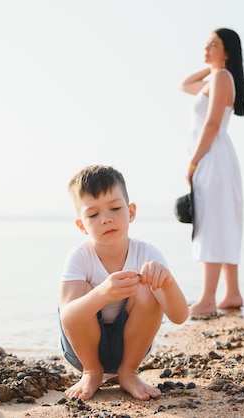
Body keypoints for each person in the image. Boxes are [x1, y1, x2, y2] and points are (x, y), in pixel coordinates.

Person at [59, 164, 189, 401]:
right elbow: (67, 317)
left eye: (115, 208)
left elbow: (179, 316)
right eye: (93, 214)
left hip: (131, 349)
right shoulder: (79, 257)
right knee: (80, 296)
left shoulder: (147, 254)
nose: (106, 219)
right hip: (82, 350)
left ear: (131, 212)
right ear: (81, 225)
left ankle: (128, 373)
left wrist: (167, 282)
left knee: (150, 290)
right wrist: (102, 294)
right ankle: (92, 372)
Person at [179, 28, 244, 316]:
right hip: (216, 157)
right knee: (222, 222)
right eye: (207, 43)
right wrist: (212, 64)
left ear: (227, 51)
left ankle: (208, 299)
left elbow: (211, 124)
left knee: (212, 223)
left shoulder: (223, 77)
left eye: (214, 44)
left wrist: (192, 163)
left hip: (213, 157)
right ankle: (232, 293)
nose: (206, 47)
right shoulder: (217, 77)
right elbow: (184, 84)